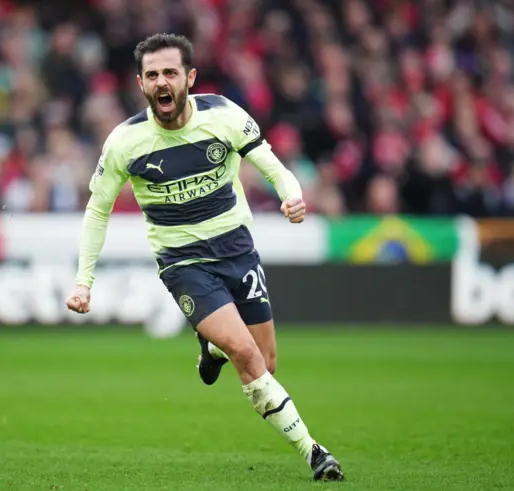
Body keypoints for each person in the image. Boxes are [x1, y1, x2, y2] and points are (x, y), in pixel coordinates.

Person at [65, 33, 344, 482]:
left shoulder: (224, 116)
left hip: (237, 249)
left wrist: (292, 196)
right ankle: (314, 452)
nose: (162, 82)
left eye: (170, 73)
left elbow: (273, 166)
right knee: (247, 355)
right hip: (183, 262)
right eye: (152, 74)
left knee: (266, 363)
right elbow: (97, 211)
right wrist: (84, 282)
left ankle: (210, 346)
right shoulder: (125, 142)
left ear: (189, 78)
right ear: (140, 83)